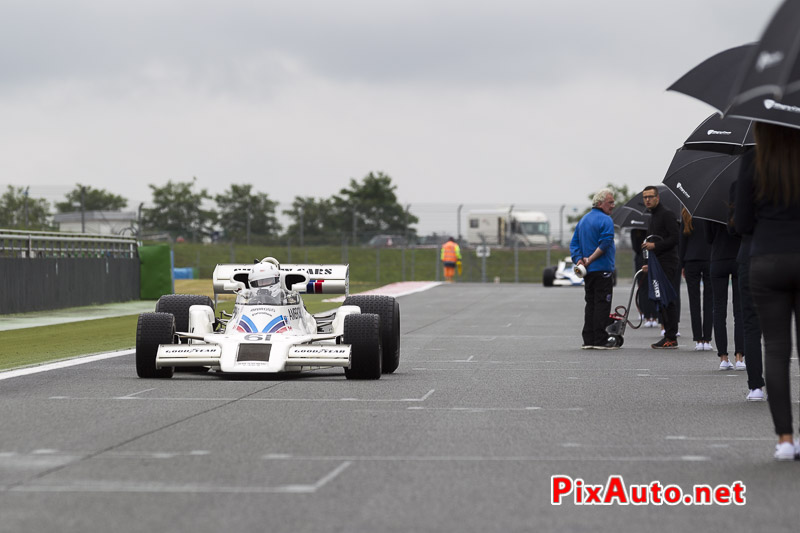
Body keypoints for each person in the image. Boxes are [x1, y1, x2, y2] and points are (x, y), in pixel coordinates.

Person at [735, 122, 800, 460]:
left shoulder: (753, 159)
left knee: (775, 349)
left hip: (767, 257)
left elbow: (742, 223)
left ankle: (785, 440)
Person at [729, 178, 765, 402]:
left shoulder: (740, 184)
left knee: (750, 323)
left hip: (750, 254)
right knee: (778, 330)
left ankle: (756, 386)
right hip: (784, 254)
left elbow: (734, 226)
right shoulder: (789, 176)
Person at [570, 188, 616, 349]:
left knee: (590, 303)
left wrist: (579, 260)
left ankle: (588, 339)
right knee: (602, 303)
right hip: (602, 268)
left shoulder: (583, 220)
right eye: (610, 202)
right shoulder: (606, 220)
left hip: (588, 272)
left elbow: (574, 244)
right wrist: (589, 259)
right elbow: (605, 243)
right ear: (600, 203)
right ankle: (600, 339)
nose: (613, 205)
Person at [641, 186, 680, 349]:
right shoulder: (652, 217)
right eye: (645, 197)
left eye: (650, 196)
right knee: (661, 299)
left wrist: (654, 245)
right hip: (656, 263)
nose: (647, 200)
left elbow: (674, 238)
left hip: (668, 263)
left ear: (657, 198)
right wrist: (648, 263)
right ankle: (668, 335)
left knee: (668, 298)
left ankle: (671, 336)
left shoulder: (667, 214)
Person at [705, 219, 742, 370]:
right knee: (739, 309)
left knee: (719, 309)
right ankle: (739, 356)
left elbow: (709, 238)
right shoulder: (740, 203)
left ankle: (723, 357)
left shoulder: (710, 207)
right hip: (738, 257)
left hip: (718, 258)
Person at [679, 208, 713, 351]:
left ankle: (698, 339)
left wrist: (681, 264)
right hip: (709, 259)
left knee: (694, 301)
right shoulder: (710, 213)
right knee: (709, 301)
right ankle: (707, 339)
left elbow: (682, 242)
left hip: (691, 260)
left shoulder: (687, 213)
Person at [631, 228, 658, 327]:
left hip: (650, 258)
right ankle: (646, 314)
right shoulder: (636, 229)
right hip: (641, 259)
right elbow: (636, 247)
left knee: (652, 287)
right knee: (643, 287)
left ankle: (653, 315)